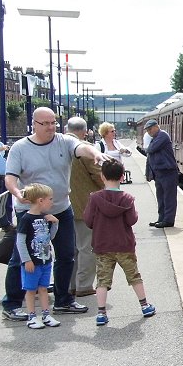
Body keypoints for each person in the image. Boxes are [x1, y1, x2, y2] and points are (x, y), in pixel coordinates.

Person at [2, 106, 108, 321]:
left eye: (53, 123)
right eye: (46, 123)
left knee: (66, 255)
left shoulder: (64, 141)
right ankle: (12, 303)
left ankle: (63, 300)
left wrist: (96, 153)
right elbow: (10, 178)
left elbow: (81, 148)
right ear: (34, 124)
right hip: (30, 212)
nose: (51, 127)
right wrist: (16, 192)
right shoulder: (20, 148)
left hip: (61, 208)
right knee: (21, 257)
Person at [83, 159, 156, 326]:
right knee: (134, 276)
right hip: (124, 246)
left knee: (102, 280)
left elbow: (88, 221)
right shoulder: (127, 199)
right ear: (122, 177)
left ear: (102, 176)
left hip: (102, 246)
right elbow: (132, 220)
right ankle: (145, 306)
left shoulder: (95, 198)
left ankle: (101, 313)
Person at [65, 117, 105, 297]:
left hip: (62, 206)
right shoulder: (84, 150)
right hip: (84, 206)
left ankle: (70, 285)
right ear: (84, 131)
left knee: (69, 248)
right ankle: (84, 285)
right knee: (87, 247)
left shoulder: (57, 146)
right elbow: (98, 174)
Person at [15, 183, 62, 329]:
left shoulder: (45, 217)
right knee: (30, 290)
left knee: (43, 288)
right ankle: (31, 316)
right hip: (32, 262)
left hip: (45, 260)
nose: (52, 202)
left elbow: (50, 237)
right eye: (50, 199)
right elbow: (20, 241)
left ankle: (46, 314)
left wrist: (55, 223)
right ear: (41, 200)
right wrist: (26, 260)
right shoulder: (26, 219)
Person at [144, 119, 178, 228]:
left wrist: (148, 148)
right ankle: (161, 218)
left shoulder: (163, 135)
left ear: (156, 127)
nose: (149, 132)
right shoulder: (154, 138)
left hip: (168, 172)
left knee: (169, 197)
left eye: (150, 129)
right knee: (161, 197)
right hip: (159, 173)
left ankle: (168, 220)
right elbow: (149, 153)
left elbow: (151, 149)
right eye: (147, 130)